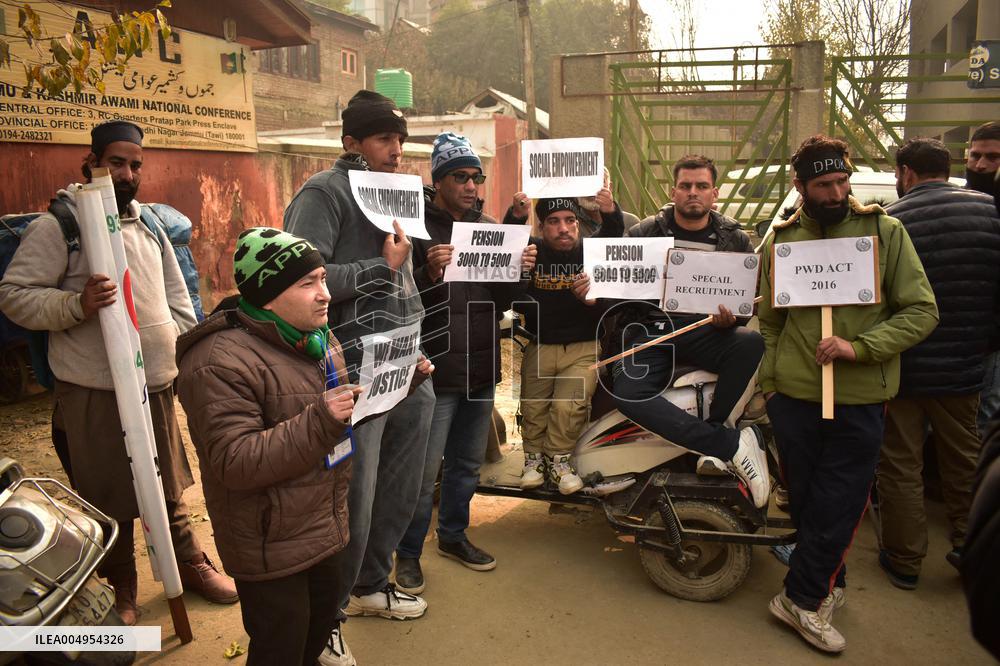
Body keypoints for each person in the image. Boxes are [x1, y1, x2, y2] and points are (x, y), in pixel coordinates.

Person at [0, 120, 237, 625]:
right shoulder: (60, 227)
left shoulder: (148, 223)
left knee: (166, 483)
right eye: (116, 163)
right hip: (93, 390)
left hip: (155, 384)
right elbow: (15, 296)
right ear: (91, 163)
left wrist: (178, 350)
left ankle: (190, 563)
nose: (127, 174)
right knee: (107, 491)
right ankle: (122, 583)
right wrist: (76, 304)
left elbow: (178, 298)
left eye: (135, 165)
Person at [758, 135, 938, 653]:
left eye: (842, 181)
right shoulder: (781, 242)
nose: (836, 193)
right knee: (808, 501)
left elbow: (922, 311)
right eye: (823, 184)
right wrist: (772, 385)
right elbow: (770, 322)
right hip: (793, 399)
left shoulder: (885, 232)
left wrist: (859, 348)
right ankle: (827, 582)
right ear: (800, 186)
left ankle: (800, 598)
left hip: (860, 396)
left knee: (840, 500)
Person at [283, 90, 435, 663]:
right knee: (355, 493)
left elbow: (404, 279)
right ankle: (327, 618)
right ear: (351, 142)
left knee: (404, 484)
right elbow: (302, 277)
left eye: (400, 140)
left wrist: (415, 341)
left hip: (406, 363)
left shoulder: (399, 192)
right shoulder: (324, 193)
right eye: (383, 140)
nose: (396, 151)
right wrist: (379, 267)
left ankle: (372, 585)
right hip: (351, 371)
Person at [175, 229, 361, 664]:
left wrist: (397, 387)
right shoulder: (216, 362)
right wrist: (321, 419)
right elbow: (235, 462)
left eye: (323, 278)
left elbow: (338, 419)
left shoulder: (318, 338)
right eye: (308, 283)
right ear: (269, 295)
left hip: (325, 524)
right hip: (270, 543)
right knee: (280, 649)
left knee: (316, 636)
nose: (325, 294)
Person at [393, 133, 537, 594]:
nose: (471, 185)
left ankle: (453, 536)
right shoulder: (415, 231)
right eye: (460, 176)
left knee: (466, 466)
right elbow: (394, 298)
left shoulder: (491, 229)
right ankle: (408, 553)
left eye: (477, 177)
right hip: (432, 374)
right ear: (438, 181)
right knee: (422, 474)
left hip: (481, 369)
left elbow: (507, 300)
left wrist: (521, 269)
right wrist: (427, 273)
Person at [606, 154, 769, 507]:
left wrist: (732, 320)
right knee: (628, 394)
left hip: (706, 330)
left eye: (701, 186)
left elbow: (745, 305)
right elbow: (616, 285)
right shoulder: (644, 233)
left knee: (750, 342)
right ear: (673, 191)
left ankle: (715, 428)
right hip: (653, 331)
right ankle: (725, 444)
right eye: (685, 186)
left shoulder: (736, 239)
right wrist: (594, 289)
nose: (693, 192)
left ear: (715, 193)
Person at [876, 137, 1000, 589]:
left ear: (906, 173)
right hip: (966, 366)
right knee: (965, 458)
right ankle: (973, 549)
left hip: (905, 367)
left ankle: (905, 559)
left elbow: (878, 299)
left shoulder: (892, 221)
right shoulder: (991, 211)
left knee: (901, 463)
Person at [504, 193, 622, 493]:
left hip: (583, 348)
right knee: (534, 406)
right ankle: (533, 461)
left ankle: (559, 462)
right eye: (554, 222)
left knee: (570, 408)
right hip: (540, 345)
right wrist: (516, 214)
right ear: (542, 226)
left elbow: (613, 233)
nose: (563, 228)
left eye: (570, 221)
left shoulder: (591, 252)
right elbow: (506, 243)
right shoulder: (531, 252)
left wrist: (609, 209)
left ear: (578, 223)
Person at [965, 121, 1000, 432]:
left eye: (993, 157)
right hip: (961, 338)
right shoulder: (960, 202)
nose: (980, 165)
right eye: (975, 155)